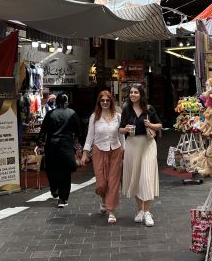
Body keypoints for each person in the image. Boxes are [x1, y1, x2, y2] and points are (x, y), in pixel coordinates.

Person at [119, 84, 162, 226]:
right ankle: (140, 210)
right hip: (132, 145)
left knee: (147, 177)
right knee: (136, 177)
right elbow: (120, 129)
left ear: (141, 94)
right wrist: (125, 129)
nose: (132, 94)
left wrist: (150, 124)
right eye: (131, 92)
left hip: (148, 145)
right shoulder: (126, 109)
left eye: (135, 92)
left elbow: (160, 125)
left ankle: (147, 211)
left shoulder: (149, 109)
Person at [81, 91, 124, 224]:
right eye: (102, 100)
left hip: (115, 150)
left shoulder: (118, 116)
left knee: (113, 182)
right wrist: (84, 154)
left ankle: (111, 211)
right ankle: (104, 201)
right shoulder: (94, 117)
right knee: (101, 182)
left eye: (107, 100)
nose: (105, 102)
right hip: (99, 151)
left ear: (111, 102)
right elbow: (90, 136)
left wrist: (125, 151)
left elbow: (122, 136)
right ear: (99, 102)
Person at [35, 93, 81, 208]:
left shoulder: (50, 114)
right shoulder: (72, 113)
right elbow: (79, 130)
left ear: (56, 102)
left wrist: (39, 143)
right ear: (66, 102)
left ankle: (54, 187)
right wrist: (76, 140)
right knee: (65, 173)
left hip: (52, 146)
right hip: (66, 146)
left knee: (51, 169)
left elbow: (43, 131)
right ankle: (63, 199)